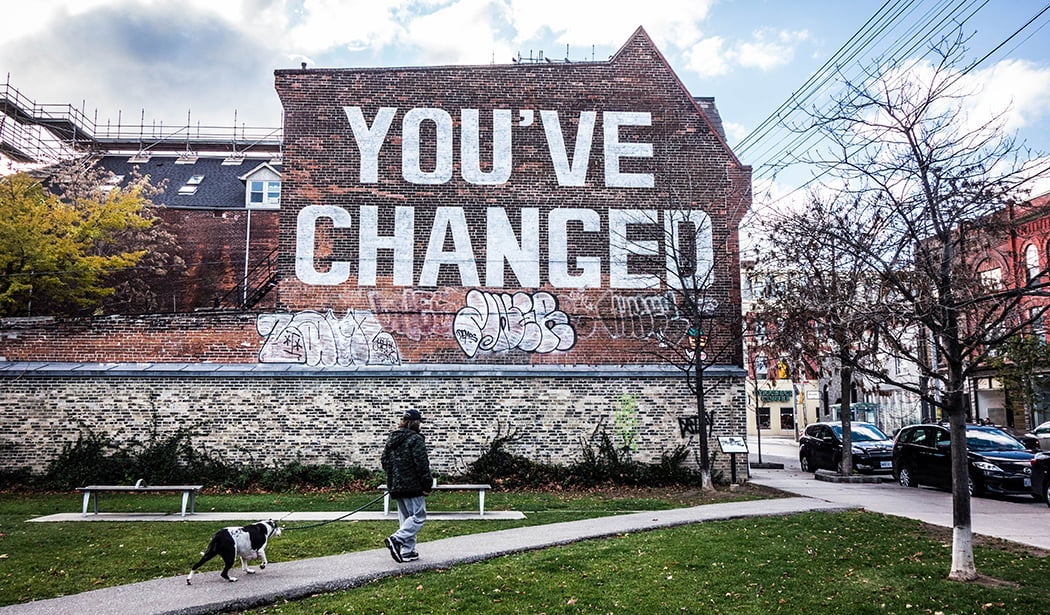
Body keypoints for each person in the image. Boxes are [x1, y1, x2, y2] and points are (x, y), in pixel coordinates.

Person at [381, 408, 433, 563]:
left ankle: (407, 551)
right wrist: (427, 484)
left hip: (396, 485)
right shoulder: (415, 439)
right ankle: (397, 539)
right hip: (413, 485)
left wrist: (393, 479)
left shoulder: (392, 439)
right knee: (418, 516)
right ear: (416, 423)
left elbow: (385, 461)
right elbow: (421, 464)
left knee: (406, 519)